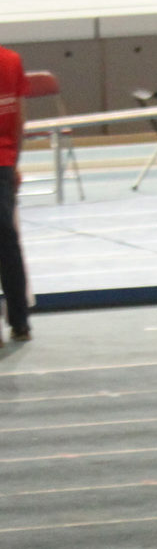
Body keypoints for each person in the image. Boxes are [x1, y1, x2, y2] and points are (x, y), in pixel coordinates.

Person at [0, 45, 30, 344]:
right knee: (7, 240)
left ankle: (20, 320)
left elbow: (18, 117)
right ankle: (20, 320)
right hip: (4, 163)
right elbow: (18, 117)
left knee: (7, 241)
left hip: (3, 162)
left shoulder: (11, 61)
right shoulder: (11, 60)